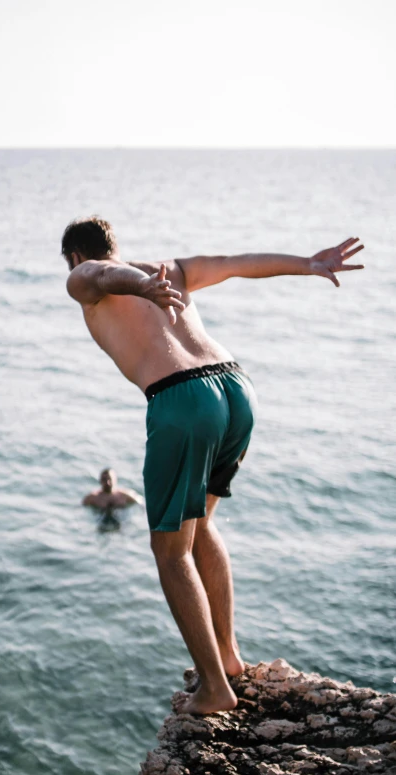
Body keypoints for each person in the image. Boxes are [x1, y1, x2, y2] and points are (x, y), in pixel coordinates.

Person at [62, 216, 364, 715]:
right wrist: (308, 264)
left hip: (182, 399)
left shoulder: (87, 275)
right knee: (202, 526)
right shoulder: (170, 270)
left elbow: (97, 277)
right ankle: (228, 657)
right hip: (236, 388)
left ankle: (214, 689)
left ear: (75, 255)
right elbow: (235, 264)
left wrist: (139, 286)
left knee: (170, 551)